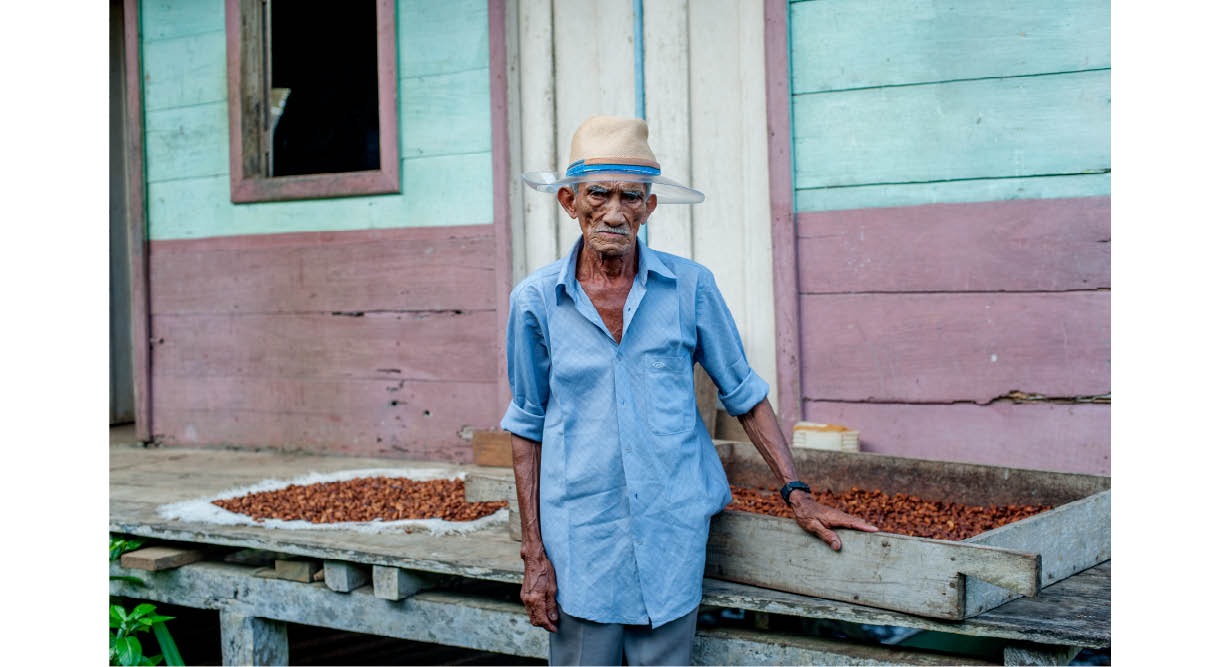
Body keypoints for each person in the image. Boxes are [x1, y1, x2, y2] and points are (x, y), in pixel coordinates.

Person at [501, 115, 877, 666]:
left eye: (631, 196)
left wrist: (797, 491)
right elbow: (526, 424)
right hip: (583, 537)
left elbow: (743, 394)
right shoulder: (535, 301)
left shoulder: (691, 287)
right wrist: (534, 553)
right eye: (598, 195)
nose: (614, 212)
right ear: (569, 201)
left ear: (649, 207)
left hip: (670, 532)